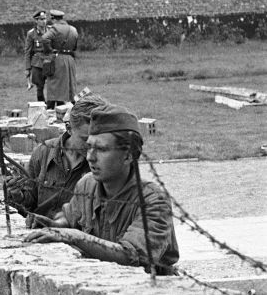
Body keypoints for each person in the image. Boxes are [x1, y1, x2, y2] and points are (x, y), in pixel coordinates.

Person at [23, 104, 179, 275]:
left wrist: (73, 236)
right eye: (89, 147)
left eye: (101, 149)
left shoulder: (153, 200)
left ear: (128, 155)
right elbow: (69, 218)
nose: (90, 157)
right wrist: (52, 225)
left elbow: (132, 256)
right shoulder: (87, 185)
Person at [6, 93, 107, 218]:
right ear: (69, 129)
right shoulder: (43, 153)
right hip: (41, 231)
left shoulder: (105, 163)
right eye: (85, 139)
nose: (92, 146)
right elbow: (29, 204)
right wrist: (17, 195)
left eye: (99, 139)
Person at [41, 10, 78, 109]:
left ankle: (50, 110)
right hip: (70, 60)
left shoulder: (55, 28)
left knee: (54, 86)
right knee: (69, 87)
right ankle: (67, 110)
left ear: (53, 18)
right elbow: (75, 46)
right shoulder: (73, 29)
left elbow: (44, 38)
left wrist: (50, 50)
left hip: (58, 59)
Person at [24, 10, 49, 102]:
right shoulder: (31, 33)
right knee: (39, 87)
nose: (44, 21)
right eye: (41, 19)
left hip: (50, 62)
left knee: (53, 85)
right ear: (36, 21)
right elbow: (27, 52)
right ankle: (42, 106)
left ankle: (54, 107)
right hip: (38, 63)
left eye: (45, 19)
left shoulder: (51, 30)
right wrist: (27, 68)